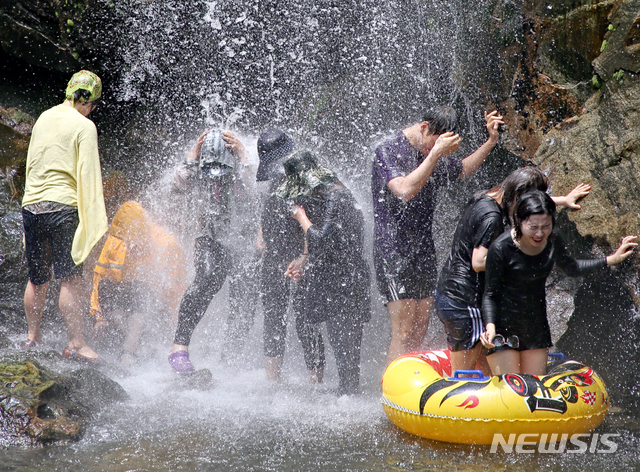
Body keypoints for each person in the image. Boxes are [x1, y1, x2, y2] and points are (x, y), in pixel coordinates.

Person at [372, 106, 504, 364]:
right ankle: (389, 392)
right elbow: (403, 190)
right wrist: (435, 153)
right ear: (423, 127)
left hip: (423, 249)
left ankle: (410, 386)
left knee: (419, 329)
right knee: (404, 329)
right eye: (434, 142)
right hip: (392, 251)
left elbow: (463, 169)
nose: (436, 150)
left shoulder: (432, 150)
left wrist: (491, 142)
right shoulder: (387, 149)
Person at [435, 166, 591, 375]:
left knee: (487, 371)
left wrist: (563, 200)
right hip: (464, 300)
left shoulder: (487, 196)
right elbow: (478, 261)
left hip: (456, 293)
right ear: (517, 195)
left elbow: (530, 206)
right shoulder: (491, 217)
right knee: (463, 374)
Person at [480, 190, 636, 375]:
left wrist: (610, 259)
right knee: (511, 391)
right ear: (519, 221)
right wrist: (490, 327)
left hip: (535, 326)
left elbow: (572, 268)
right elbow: (490, 294)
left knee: (536, 391)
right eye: (533, 226)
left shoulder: (552, 240)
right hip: (502, 329)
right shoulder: (501, 248)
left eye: (546, 226)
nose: (540, 233)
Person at [21, 70, 107, 362]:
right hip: (63, 207)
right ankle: (76, 343)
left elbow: (32, 162)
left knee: (37, 278)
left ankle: (32, 338)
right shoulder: (85, 126)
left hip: (32, 205)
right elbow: (88, 173)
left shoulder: (44, 117)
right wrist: (93, 219)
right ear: (89, 102)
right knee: (70, 278)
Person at [277, 151, 371, 395]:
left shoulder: (335, 198)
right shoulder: (333, 194)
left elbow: (320, 239)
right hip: (343, 281)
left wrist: (301, 217)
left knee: (346, 354)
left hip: (347, 284)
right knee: (343, 351)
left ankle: (350, 406)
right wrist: (304, 261)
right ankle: (347, 400)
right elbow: (331, 243)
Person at [167, 129, 258, 373]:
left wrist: (242, 153)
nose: (216, 174)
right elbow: (176, 185)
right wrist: (193, 155)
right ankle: (179, 349)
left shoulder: (244, 164)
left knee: (244, 297)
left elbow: (259, 187)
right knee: (204, 282)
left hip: (244, 241)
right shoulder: (199, 166)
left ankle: (228, 359)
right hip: (210, 236)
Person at [89, 201, 188, 366]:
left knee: (139, 289)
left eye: (130, 238)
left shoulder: (166, 243)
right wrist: (99, 317)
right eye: (123, 237)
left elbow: (177, 291)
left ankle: (129, 350)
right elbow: (98, 278)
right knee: (107, 286)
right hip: (126, 305)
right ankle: (136, 344)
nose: (126, 243)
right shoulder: (116, 239)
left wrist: (175, 329)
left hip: (155, 306)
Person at [254, 129, 306, 381]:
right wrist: (262, 232)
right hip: (274, 256)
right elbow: (271, 205)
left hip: (298, 259)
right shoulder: (277, 177)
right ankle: (272, 380)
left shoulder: (306, 176)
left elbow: (314, 221)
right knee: (273, 319)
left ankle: (315, 382)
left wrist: (305, 256)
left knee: (306, 321)